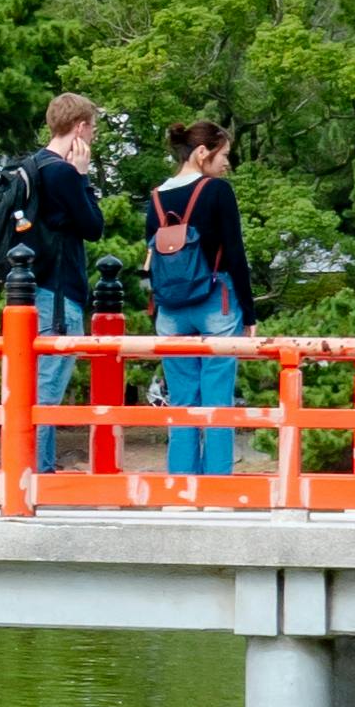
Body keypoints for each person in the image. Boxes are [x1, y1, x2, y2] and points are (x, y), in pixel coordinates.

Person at [147, 118, 252, 479]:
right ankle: (217, 489)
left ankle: (181, 487)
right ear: (203, 152)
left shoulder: (157, 197)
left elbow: (153, 262)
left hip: (171, 311)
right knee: (218, 400)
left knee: (182, 401)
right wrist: (250, 315)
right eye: (224, 155)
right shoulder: (217, 191)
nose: (227, 164)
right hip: (216, 302)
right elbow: (235, 254)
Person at [13, 91, 106, 475]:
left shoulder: (30, 167)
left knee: (29, 383)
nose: (95, 136)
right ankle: (35, 472)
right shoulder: (63, 173)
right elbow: (93, 227)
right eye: (94, 128)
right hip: (58, 294)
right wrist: (83, 178)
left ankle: (35, 467)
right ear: (80, 127)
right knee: (47, 389)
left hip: (26, 292)